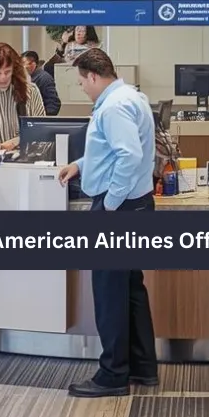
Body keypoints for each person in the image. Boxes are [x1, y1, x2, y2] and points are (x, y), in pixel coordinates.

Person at [57, 49, 157, 398]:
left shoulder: (113, 107)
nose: (82, 87)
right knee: (130, 287)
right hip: (139, 205)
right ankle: (143, 367)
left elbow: (128, 155)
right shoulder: (132, 97)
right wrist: (81, 165)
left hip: (120, 208)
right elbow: (113, 150)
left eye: (82, 81)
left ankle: (113, 375)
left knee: (109, 293)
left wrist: (110, 203)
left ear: (94, 76)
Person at [22, 50, 61, 116]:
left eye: (23, 63)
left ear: (33, 64)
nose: (21, 66)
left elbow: (53, 103)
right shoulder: (24, 77)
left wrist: (42, 118)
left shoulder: (44, 78)